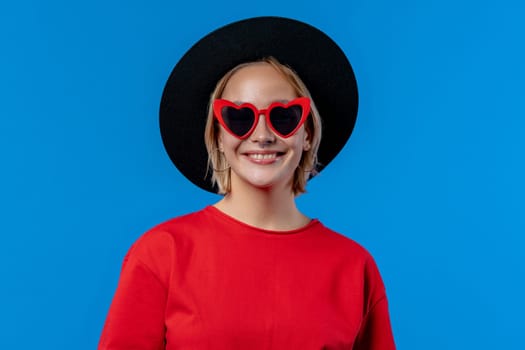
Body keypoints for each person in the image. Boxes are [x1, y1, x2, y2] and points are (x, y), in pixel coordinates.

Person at [98, 17, 396, 349]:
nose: (263, 135)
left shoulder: (353, 267)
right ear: (218, 134)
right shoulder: (162, 254)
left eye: (284, 116)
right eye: (240, 118)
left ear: (307, 133)